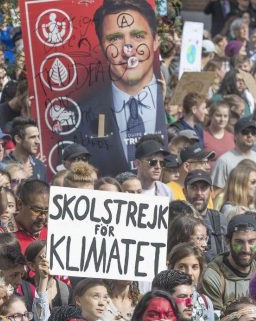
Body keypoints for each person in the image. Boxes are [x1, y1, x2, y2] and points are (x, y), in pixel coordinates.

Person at [69, 0, 168, 176]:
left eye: (138, 36)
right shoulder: (81, 117)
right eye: (114, 39)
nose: (128, 51)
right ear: (102, 47)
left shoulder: (172, 108)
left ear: (155, 41)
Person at [201, 214, 256, 311]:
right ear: (228, 241)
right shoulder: (213, 276)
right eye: (239, 242)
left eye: (251, 242)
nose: (246, 249)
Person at [212, 118, 256, 200]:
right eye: (245, 132)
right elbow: (215, 193)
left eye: (253, 133)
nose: (250, 135)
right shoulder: (224, 161)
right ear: (235, 136)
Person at [184, 170, 227, 260]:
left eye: (203, 188)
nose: (199, 193)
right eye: (194, 187)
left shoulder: (219, 219)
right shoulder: (179, 221)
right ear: (185, 191)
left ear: (211, 191)